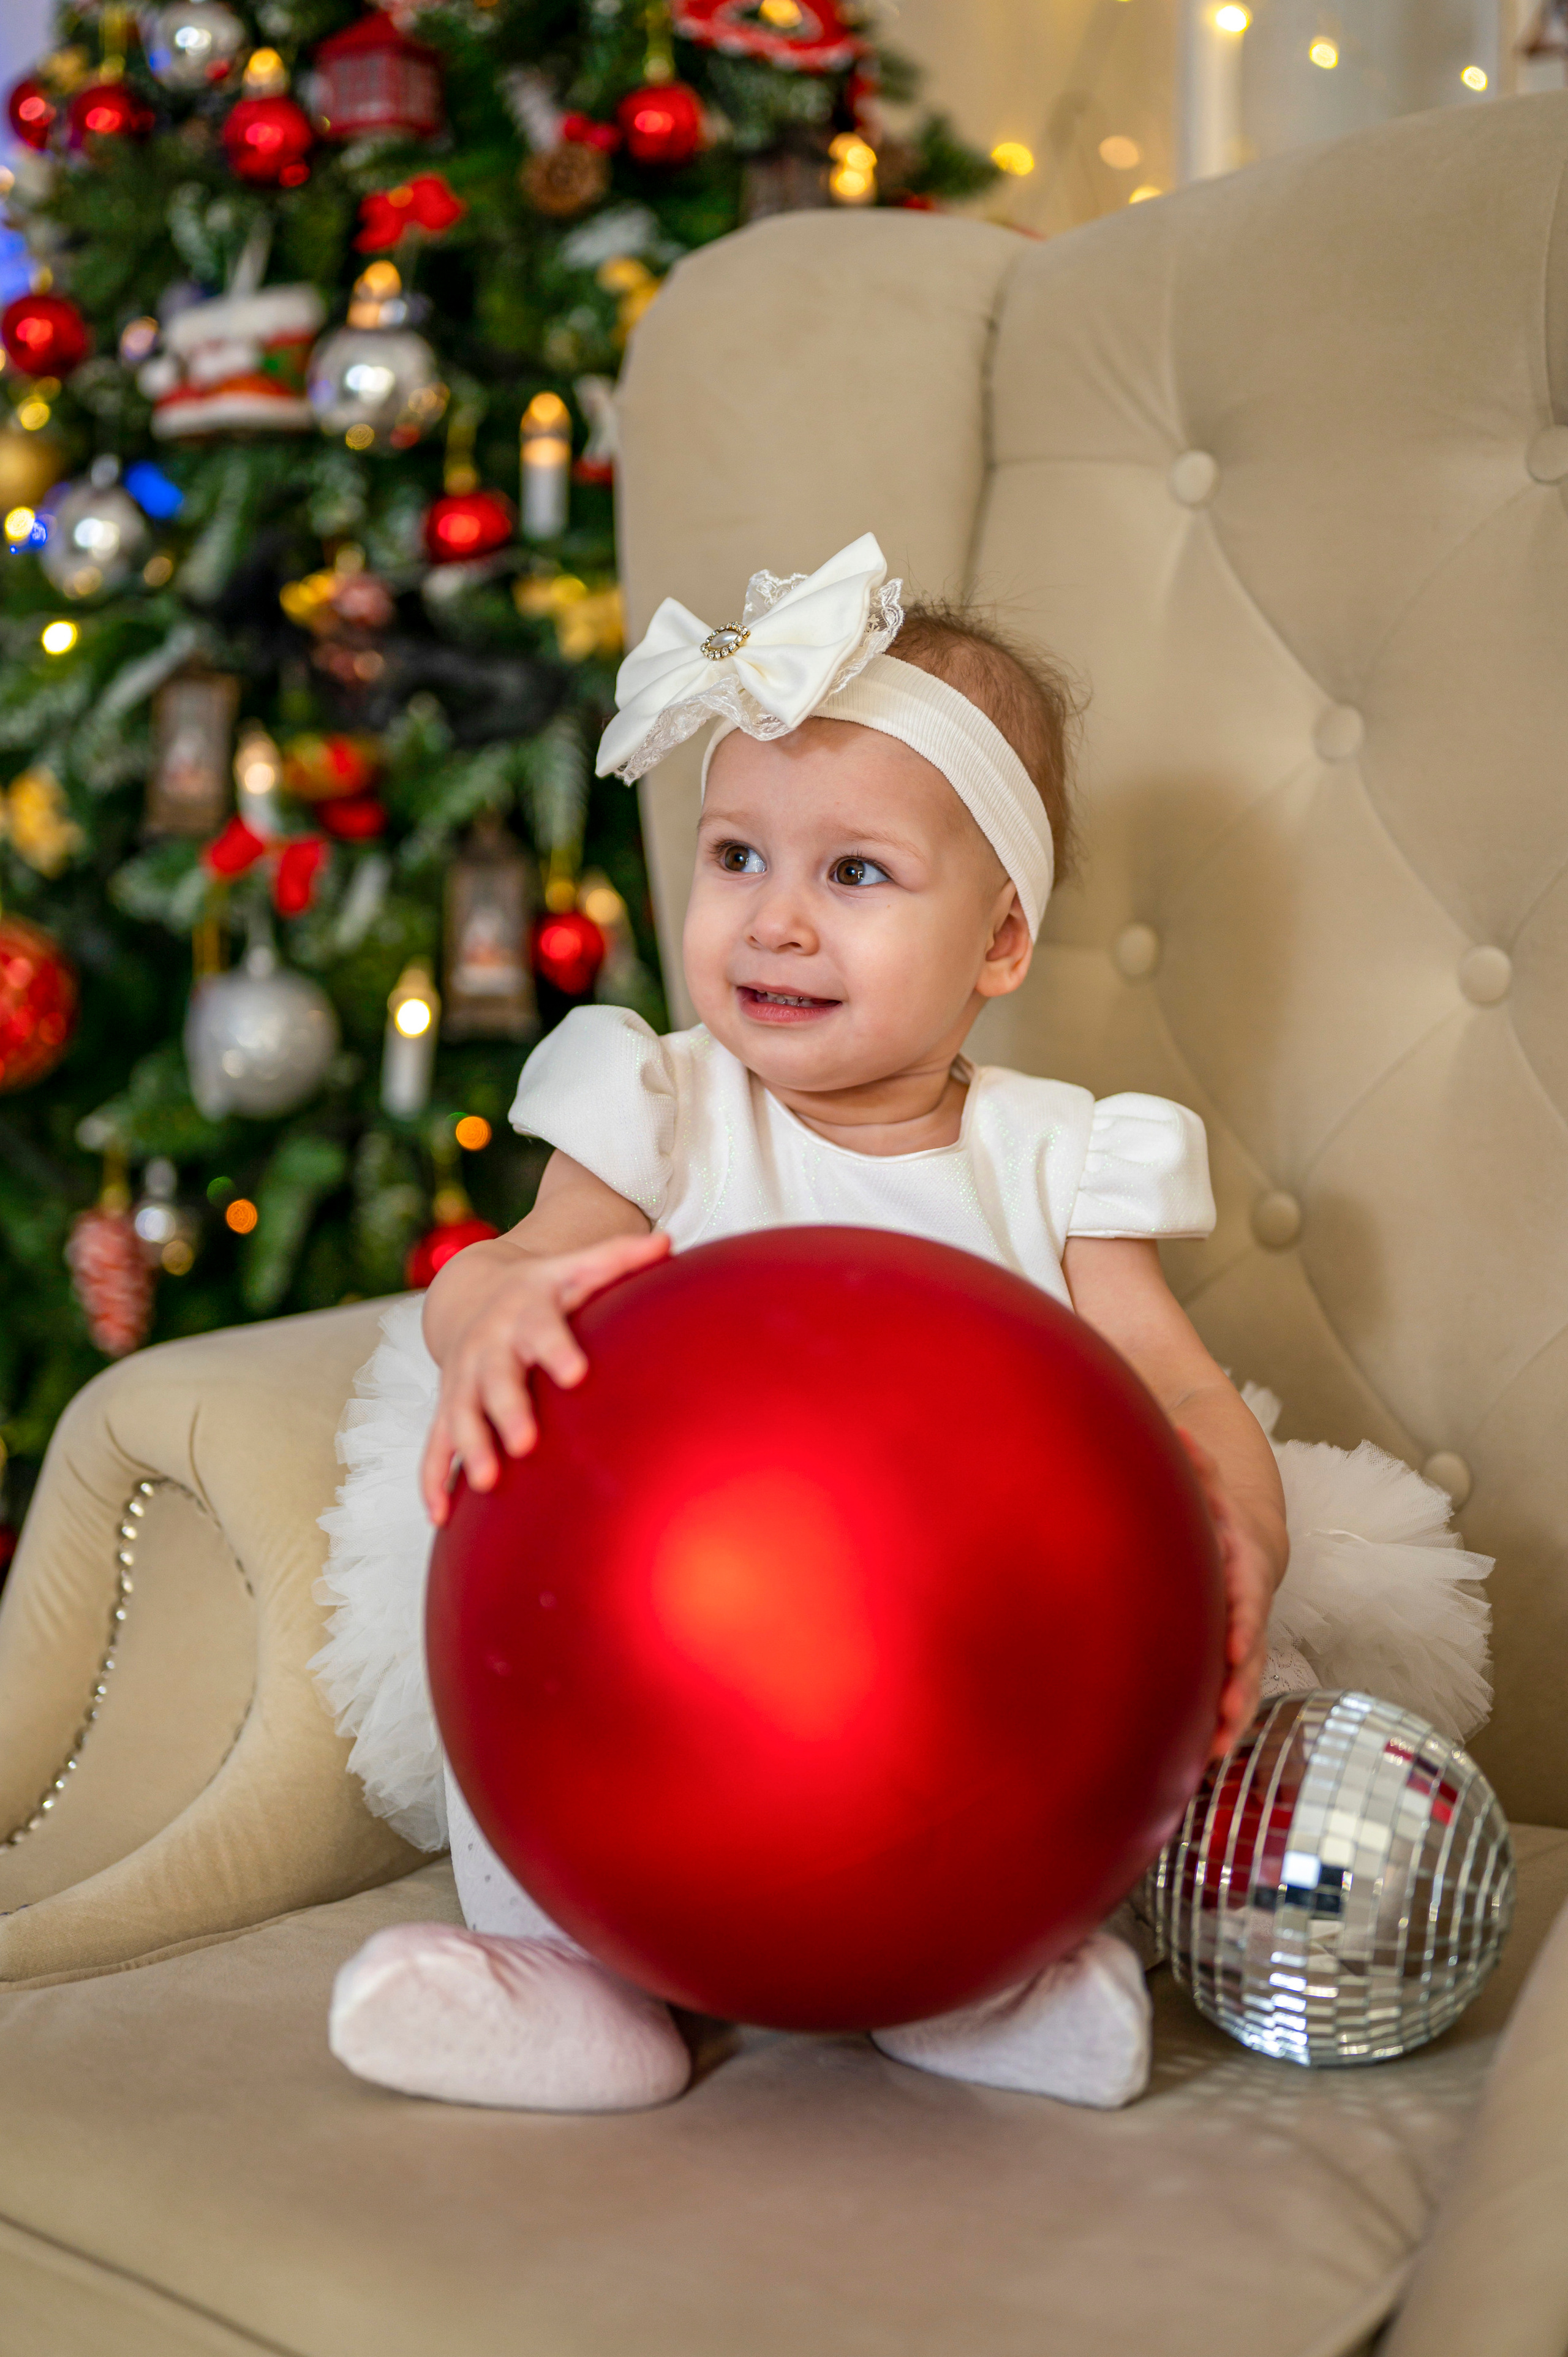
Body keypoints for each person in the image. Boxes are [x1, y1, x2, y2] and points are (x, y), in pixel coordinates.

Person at [316, 535, 1492, 2115]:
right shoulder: (660, 1102)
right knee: (502, 1599)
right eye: (737, 856)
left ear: (999, 941)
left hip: (962, 1643)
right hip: (665, 1633)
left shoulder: (1059, 1156)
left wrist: (1246, 1533)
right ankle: (573, 1973)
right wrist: (488, 1315)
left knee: (1091, 1714)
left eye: (854, 873)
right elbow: (514, 1262)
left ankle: (981, 1975)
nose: (776, 922)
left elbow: (1179, 1391)